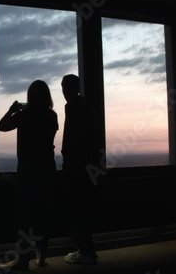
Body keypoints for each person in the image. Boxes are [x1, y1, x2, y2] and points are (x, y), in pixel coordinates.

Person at [0, 80, 58, 270]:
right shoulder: (52, 116)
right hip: (47, 169)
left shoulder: (24, 115)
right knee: (44, 214)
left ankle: (23, 259)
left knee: (25, 216)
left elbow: (2, 126)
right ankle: (41, 256)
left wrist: (12, 110)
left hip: (27, 170)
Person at [60, 74, 99, 264]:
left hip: (76, 167)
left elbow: (71, 139)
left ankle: (85, 251)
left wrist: (67, 156)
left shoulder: (73, 108)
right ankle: (85, 249)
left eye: (63, 86)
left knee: (77, 209)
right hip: (86, 166)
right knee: (82, 208)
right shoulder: (87, 108)